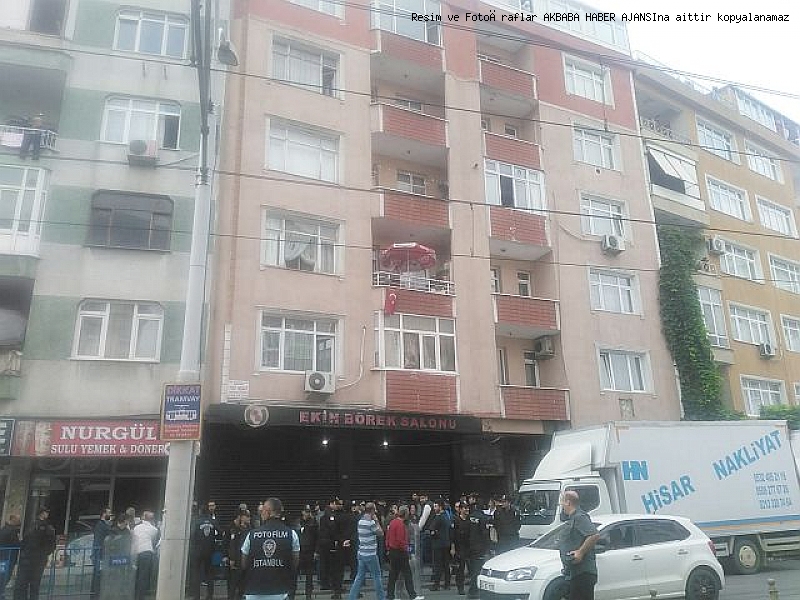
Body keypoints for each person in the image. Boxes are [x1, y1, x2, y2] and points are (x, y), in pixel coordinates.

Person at [240, 498, 299, 600]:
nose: (261, 513)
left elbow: (244, 563)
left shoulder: (251, 535)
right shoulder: (291, 534)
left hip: (254, 592)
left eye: (262, 510)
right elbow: (295, 563)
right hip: (280, 592)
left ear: (268, 511)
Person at [558, 491, 600, 600]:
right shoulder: (572, 518)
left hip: (583, 573)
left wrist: (580, 552)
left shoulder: (580, 517)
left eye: (562, 502)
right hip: (575, 573)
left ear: (568, 502)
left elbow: (594, 535)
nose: (561, 506)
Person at [13, 506, 56, 600]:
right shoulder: (46, 527)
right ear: (42, 513)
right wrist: (45, 553)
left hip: (29, 558)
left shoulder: (32, 525)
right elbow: (51, 544)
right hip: (36, 559)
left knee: (24, 583)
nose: (47, 514)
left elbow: (25, 541)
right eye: (46, 512)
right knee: (34, 584)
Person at [347, 502, 384, 600]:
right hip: (371, 554)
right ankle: (381, 598)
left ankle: (351, 597)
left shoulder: (360, 521)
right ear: (372, 510)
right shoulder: (371, 523)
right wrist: (377, 521)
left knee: (359, 577)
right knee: (377, 576)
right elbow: (381, 533)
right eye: (375, 509)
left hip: (361, 553)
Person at [385, 506, 422, 600]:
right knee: (407, 574)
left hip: (392, 551)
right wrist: (407, 550)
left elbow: (388, 537)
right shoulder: (401, 524)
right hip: (400, 552)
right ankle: (413, 595)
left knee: (393, 575)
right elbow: (400, 540)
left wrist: (388, 548)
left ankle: (390, 596)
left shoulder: (392, 522)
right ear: (405, 514)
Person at [190, 503, 219, 600]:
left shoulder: (196, 521)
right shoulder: (213, 521)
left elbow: (192, 535)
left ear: (200, 511)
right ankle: (209, 596)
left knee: (196, 574)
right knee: (210, 574)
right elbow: (220, 532)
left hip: (197, 550)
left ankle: (196, 596)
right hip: (210, 551)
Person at [466, 498, 490, 599]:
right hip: (480, 547)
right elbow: (485, 533)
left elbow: (467, 531)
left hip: (470, 546)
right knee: (478, 569)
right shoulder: (483, 518)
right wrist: (488, 546)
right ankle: (473, 590)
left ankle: (473, 590)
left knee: (473, 568)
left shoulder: (470, 516)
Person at [132, 511, 159, 600]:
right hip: (147, 552)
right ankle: (140, 597)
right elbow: (153, 540)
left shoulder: (136, 528)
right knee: (143, 576)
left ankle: (134, 595)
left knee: (135, 575)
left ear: (144, 518)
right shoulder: (154, 529)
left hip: (136, 552)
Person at [227, 509, 251, 600]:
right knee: (233, 585)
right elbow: (232, 545)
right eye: (247, 516)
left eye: (249, 516)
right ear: (242, 517)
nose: (249, 518)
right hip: (237, 560)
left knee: (243, 586)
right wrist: (232, 558)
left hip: (246, 561)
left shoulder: (250, 530)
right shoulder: (235, 529)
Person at [428, 501, 451, 591]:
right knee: (446, 565)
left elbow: (431, 529)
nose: (434, 508)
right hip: (446, 543)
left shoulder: (438, 517)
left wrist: (434, 533)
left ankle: (436, 584)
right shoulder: (446, 516)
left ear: (440, 507)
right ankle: (447, 584)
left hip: (438, 544)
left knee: (438, 565)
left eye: (436, 506)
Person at [91, 508, 113, 598]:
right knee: (98, 574)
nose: (110, 515)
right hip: (99, 553)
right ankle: (96, 595)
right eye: (109, 513)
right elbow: (110, 533)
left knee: (97, 574)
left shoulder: (101, 525)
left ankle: (95, 594)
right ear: (104, 514)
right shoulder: (102, 525)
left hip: (99, 552)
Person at [298, 506, 318, 600]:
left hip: (309, 551)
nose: (307, 513)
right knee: (297, 573)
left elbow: (316, 538)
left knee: (309, 574)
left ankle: (308, 594)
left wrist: (316, 551)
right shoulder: (300, 522)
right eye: (306, 511)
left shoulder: (313, 523)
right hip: (301, 551)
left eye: (308, 512)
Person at [450, 504, 470, 596]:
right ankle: (460, 588)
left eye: (467, 508)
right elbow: (452, 535)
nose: (467, 510)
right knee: (460, 569)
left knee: (471, 567)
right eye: (465, 508)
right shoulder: (456, 520)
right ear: (461, 510)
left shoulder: (469, 520)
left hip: (468, 547)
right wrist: (453, 547)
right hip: (459, 547)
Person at [0, 515, 21, 600]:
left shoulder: (6, 529)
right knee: (4, 576)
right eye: (18, 519)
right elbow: (15, 543)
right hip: (7, 557)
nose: (19, 521)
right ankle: (1, 593)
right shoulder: (10, 530)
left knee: (4, 576)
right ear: (13, 519)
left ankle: (2, 593)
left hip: (6, 557)